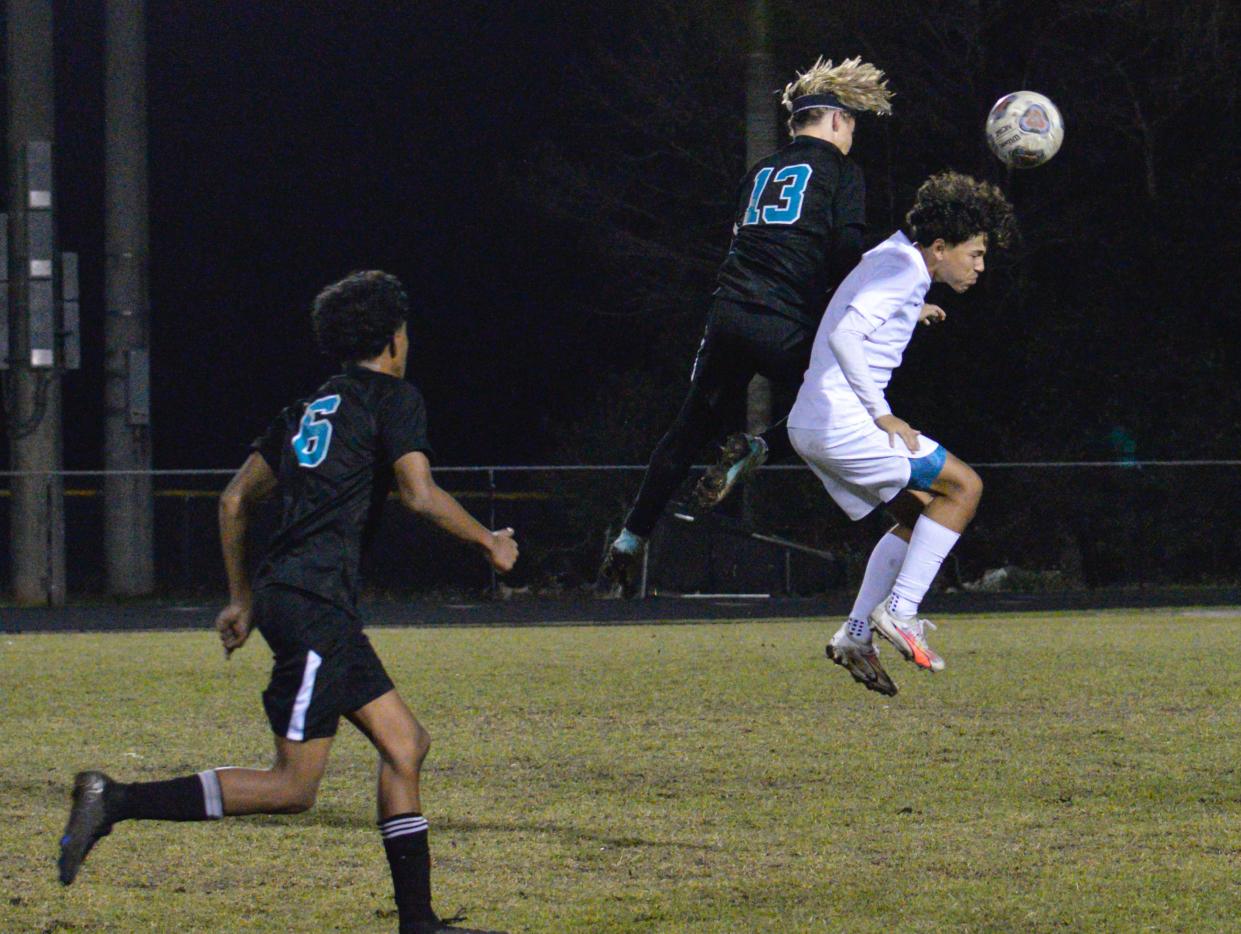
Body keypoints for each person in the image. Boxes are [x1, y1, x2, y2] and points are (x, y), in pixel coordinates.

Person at [57, 271, 518, 934]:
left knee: (405, 744)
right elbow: (418, 493)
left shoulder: (305, 408)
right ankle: (116, 798)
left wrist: (243, 598)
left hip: (301, 600)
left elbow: (234, 500)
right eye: (405, 331)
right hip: (313, 605)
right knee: (292, 786)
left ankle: (419, 924)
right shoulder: (392, 397)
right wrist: (488, 543)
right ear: (392, 339)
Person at [597, 57, 896, 596]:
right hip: (785, 321)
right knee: (856, 404)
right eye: (851, 121)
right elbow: (845, 253)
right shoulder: (842, 173)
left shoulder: (758, 173)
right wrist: (889, 299)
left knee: (687, 429)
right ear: (832, 119)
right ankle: (760, 451)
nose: (853, 133)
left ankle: (628, 539)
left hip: (728, 313)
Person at [787, 171, 1016, 695]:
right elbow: (847, 334)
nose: (980, 266)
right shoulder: (904, 272)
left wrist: (913, 311)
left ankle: (856, 635)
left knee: (918, 518)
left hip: (810, 424)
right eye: (975, 254)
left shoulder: (889, 257)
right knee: (964, 488)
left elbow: (850, 310)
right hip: (845, 422)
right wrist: (882, 413)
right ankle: (902, 614)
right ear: (939, 247)